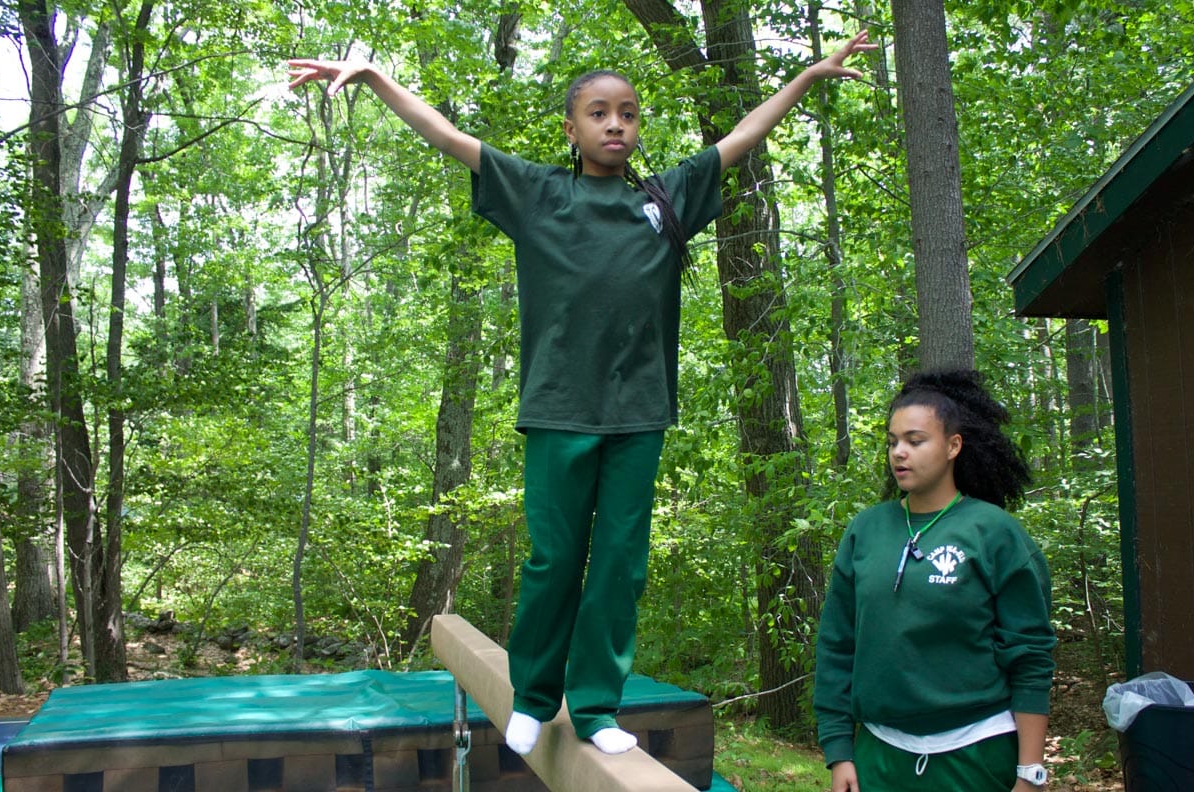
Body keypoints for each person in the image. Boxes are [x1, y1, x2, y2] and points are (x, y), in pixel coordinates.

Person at [288, 29, 878, 757]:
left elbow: (742, 137)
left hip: (639, 416)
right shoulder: (539, 194)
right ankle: (535, 696)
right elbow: (447, 136)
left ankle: (597, 707)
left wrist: (807, 78)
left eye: (628, 114)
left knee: (622, 564)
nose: (616, 125)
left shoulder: (667, 199)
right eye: (599, 113)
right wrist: (375, 76)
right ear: (572, 128)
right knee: (555, 559)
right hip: (559, 408)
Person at [813, 369, 1056, 791]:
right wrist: (839, 753)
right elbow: (837, 645)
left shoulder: (994, 532)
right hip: (880, 756)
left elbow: (1031, 656)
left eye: (915, 440)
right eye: (892, 442)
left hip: (977, 754)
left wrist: (1030, 773)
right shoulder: (866, 530)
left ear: (952, 446)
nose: (899, 453)